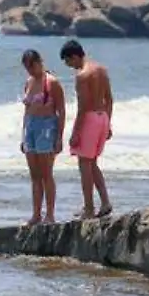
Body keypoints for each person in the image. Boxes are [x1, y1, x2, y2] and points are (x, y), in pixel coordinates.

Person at [59, 39, 113, 219]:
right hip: (103, 117)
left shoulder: (82, 75)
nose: (69, 66)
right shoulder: (101, 70)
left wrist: (75, 132)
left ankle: (89, 209)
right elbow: (109, 99)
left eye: (68, 61)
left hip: (89, 119)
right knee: (93, 163)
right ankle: (105, 202)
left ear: (74, 56)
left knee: (84, 164)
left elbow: (83, 107)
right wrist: (109, 123)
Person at [19, 49, 66, 225]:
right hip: (31, 127)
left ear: (40, 62)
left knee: (46, 173)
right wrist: (23, 135)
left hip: (47, 127)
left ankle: (50, 215)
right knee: (34, 175)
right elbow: (26, 111)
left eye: (32, 65)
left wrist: (59, 137)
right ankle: (36, 214)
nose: (30, 70)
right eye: (26, 67)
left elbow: (61, 110)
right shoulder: (28, 82)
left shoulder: (52, 83)